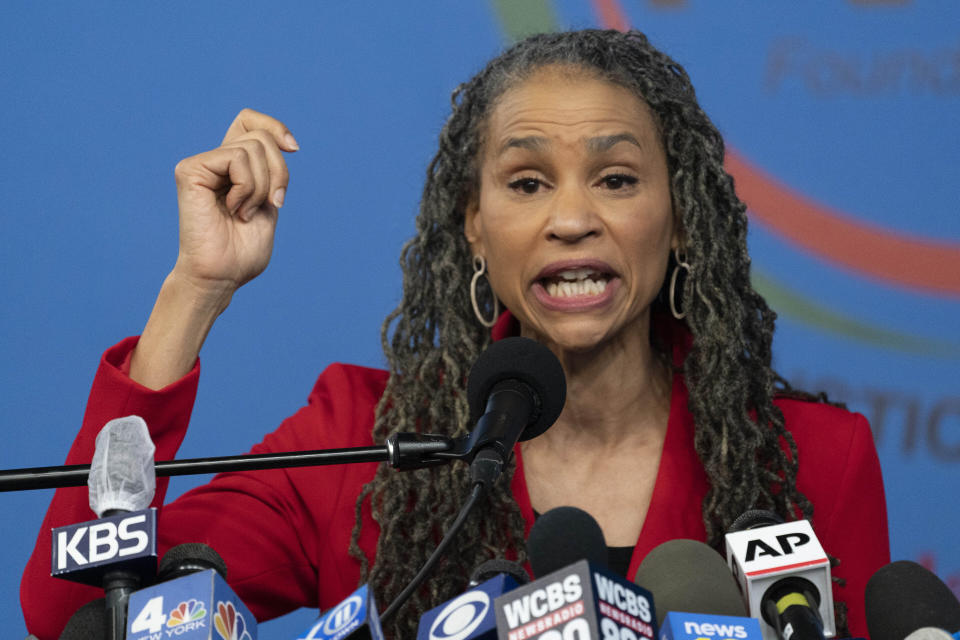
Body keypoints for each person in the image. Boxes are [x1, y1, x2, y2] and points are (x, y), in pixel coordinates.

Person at [21, 29, 888, 638]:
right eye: (526, 183)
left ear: (683, 219)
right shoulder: (362, 441)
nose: (573, 219)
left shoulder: (811, 459)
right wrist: (196, 289)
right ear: (473, 226)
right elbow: (79, 615)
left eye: (618, 179)